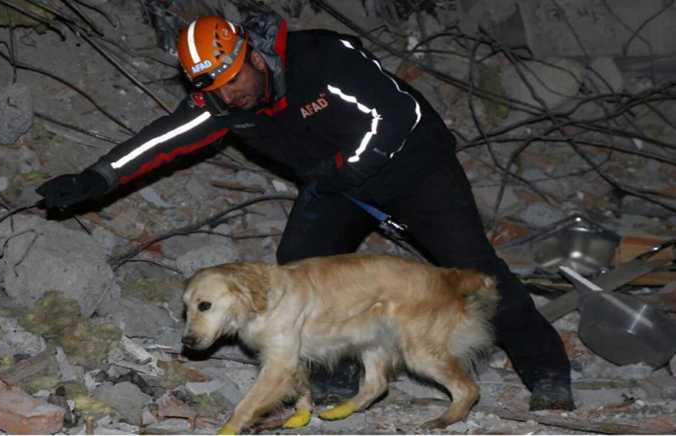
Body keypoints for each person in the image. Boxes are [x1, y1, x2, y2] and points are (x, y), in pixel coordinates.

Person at [36, 12, 575, 411]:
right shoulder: (221, 103)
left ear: (248, 54)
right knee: (300, 265)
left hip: (416, 164)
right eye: (214, 90)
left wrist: (348, 169)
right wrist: (96, 178)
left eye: (234, 80)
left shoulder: (321, 57)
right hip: (336, 179)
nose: (232, 96)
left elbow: (397, 113)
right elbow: (162, 140)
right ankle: (337, 371)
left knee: (471, 268)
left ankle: (546, 370)